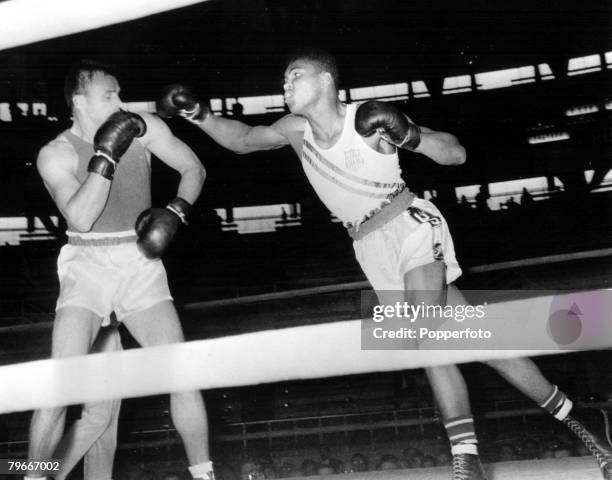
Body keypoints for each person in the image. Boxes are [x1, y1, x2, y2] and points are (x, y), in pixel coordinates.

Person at [157, 49, 612, 480]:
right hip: (369, 247)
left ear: (327, 80)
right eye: (284, 78)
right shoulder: (295, 128)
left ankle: (466, 460)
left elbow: (456, 153)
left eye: (296, 75)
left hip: (410, 224)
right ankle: (586, 421)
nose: (286, 83)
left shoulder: (367, 118)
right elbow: (243, 140)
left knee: (422, 336)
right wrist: (199, 114)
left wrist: (410, 136)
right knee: (486, 343)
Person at [26, 59, 213, 480]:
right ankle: (30, 476)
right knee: (63, 389)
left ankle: (205, 475)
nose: (120, 102)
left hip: (138, 264)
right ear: (79, 101)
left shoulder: (143, 127)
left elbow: (193, 168)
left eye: (120, 93)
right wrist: (106, 154)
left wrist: (177, 210)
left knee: (182, 375)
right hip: (87, 265)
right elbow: (80, 218)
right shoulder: (54, 153)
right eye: (109, 95)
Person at [52, 322, 122, 480]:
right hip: (94, 328)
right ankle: (47, 471)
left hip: (109, 332)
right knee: (99, 418)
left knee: (107, 423)